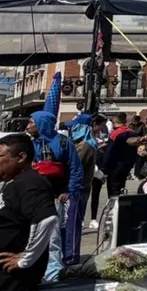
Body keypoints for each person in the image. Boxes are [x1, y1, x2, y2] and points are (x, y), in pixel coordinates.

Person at [26, 112, 82, 283]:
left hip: (55, 197)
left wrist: (68, 191)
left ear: (41, 124)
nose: (28, 126)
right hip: (33, 196)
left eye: (31, 123)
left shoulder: (64, 143)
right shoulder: (30, 144)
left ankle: (53, 273)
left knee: (52, 236)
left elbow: (75, 170)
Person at [0, 134, 58, 291]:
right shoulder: (12, 182)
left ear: (21, 157)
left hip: (14, 278)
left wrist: (26, 258)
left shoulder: (30, 183)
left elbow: (46, 219)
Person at [62, 115, 96, 266]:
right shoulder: (77, 143)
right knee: (67, 222)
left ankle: (72, 256)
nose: (70, 129)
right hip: (75, 188)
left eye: (73, 127)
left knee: (73, 223)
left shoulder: (86, 145)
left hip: (79, 189)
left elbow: (74, 165)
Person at [87, 117, 108, 229]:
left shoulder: (99, 137)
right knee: (84, 195)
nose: (101, 128)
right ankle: (80, 219)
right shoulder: (87, 138)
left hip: (99, 169)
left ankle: (93, 218)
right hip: (90, 170)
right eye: (100, 125)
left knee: (96, 194)